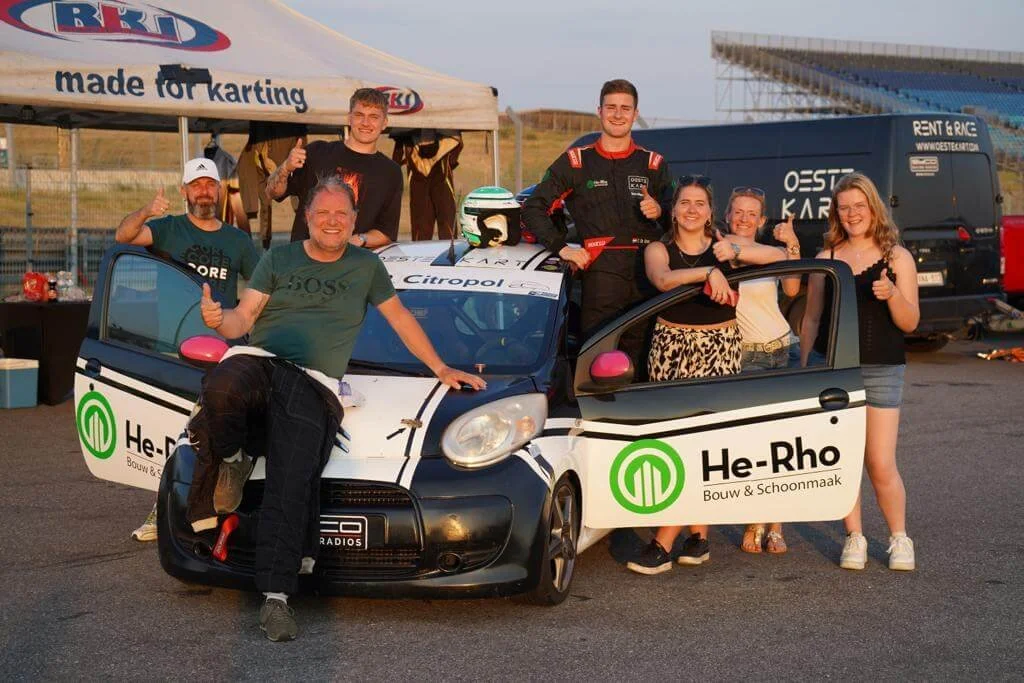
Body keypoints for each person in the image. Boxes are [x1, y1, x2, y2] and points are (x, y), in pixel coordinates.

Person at [188, 177, 485, 642]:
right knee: (222, 385)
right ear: (306, 217)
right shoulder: (279, 259)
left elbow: (401, 319)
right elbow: (242, 318)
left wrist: (441, 367)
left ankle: (276, 599)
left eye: (341, 214)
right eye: (323, 213)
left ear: (353, 220)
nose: (332, 221)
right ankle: (231, 458)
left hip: (314, 383)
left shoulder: (366, 267)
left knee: (291, 479)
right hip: (261, 362)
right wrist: (217, 319)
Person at [626, 176, 787, 575]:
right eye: (685, 202)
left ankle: (663, 543)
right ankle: (698, 538)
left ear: (711, 211)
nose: (692, 210)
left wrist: (732, 253)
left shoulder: (724, 246)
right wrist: (707, 274)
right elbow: (663, 280)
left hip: (719, 349)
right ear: (673, 209)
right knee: (674, 442)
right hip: (671, 349)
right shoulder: (659, 248)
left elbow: (780, 256)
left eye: (700, 203)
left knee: (701, 446)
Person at [115, 157, 259, 543]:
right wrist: (147, 210)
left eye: (210, 184)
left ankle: (209, 508)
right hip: (172, 346)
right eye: (196, 185)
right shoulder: (169, 228)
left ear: (219, 190)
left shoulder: (237, 240)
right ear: (184, 191)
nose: (204, 192)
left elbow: (263, 284)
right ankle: (163, 507)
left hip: (222, 351)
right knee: (169, 429)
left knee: (208, 430)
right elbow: (123, 236)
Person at [800, 172, 919, 572]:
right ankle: (855, 537)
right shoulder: (826, 259)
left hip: (883, 368)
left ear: (873, 208)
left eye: (859, 206)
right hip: (834, 371)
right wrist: (805, 368)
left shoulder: (897, 257)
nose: (852, 214)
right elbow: (811, 318)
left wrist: (893, 294)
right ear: (836, 213)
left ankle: (899, 538)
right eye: (844, 208)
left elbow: (910, 322)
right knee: (844, 461)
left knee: (880, 463)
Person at [521, 79, 673, 360]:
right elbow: (532, 208)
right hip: (601, 274)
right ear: (599, 111)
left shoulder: (653, 163)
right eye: (611, 107)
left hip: (648, 273)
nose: (618, 114)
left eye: (625, 108)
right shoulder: (576, 162)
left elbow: (682, 220)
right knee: (597, 360)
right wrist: (562, 248)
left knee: (642, 362)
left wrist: (661, 211)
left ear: (636, 114)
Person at [727, 188, 803, 554]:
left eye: (751, 213)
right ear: (727, 215)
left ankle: (775, 525)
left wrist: (792, 243)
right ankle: (754, 520)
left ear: (761, 220)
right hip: (747, 355)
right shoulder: (720, 251)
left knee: (783, 443)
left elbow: (793, 287)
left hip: (784, 349)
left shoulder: (769, 254)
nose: (744, 218)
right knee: (753, 444)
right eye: (738, 211)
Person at [265, 88, 403, 249]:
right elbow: (272, 192)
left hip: (352, 261)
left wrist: (360, 239)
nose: (366, 123)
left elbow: (387, 233)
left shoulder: (390, 172)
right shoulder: (317, 152)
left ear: (384, 123)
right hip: (303, 257)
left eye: (374, 117)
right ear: (349, 118)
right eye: (359, 115)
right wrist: (285, 168)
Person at [392, 129, 463, 240]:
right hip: (439, 176)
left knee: (422, 223)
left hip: (420, 177)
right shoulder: (450, 138)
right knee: (444, 219)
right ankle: (447, 249)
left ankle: (426, 248)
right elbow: (455, 155)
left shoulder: (406, 135)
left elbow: (396, 157)